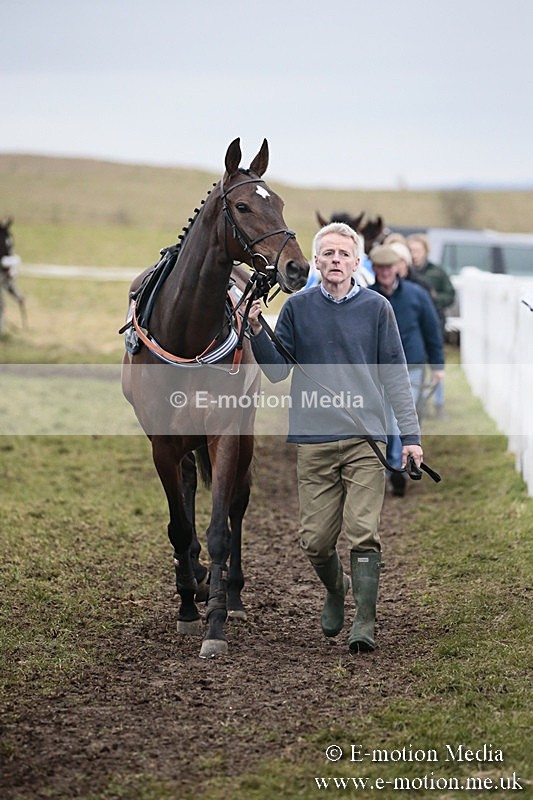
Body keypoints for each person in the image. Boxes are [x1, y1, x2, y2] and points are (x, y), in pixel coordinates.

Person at [247, 222, 423, 654]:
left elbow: (397, 378)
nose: (336, 261)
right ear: (317, 261)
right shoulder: (297, 308)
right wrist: (255, 329)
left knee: (363, 532)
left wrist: (411, 437)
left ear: (357, 261)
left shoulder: (378, 309)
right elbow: (275, 371)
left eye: (344, 254)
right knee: (315, 541)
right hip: (314, 441)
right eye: (328, 254)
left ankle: (364, 620)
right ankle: (336, 589)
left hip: (367, 441)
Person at [369, 244, 444, 496]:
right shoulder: (368, 297)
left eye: (388, 267)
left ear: (397, 268)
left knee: (401, 418)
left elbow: (431, 330)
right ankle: (395, 466)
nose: (385, 272)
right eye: (380, 268)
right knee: (386, 420)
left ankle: (398, 466)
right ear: (375, 270)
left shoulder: (416, 295)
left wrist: (437, 365)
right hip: (379, 370)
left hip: (410, 366)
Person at [407, 233, 455, 417]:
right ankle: (421, 404)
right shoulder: (406, 274)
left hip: (433, 325)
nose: (414, 254)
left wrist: (433, 299)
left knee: (435, 364)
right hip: (413, 329)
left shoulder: (437, 272)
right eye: (411, 250)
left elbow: (450, 296)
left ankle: (439, 404)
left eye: (417, 250)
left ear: (426, 251)